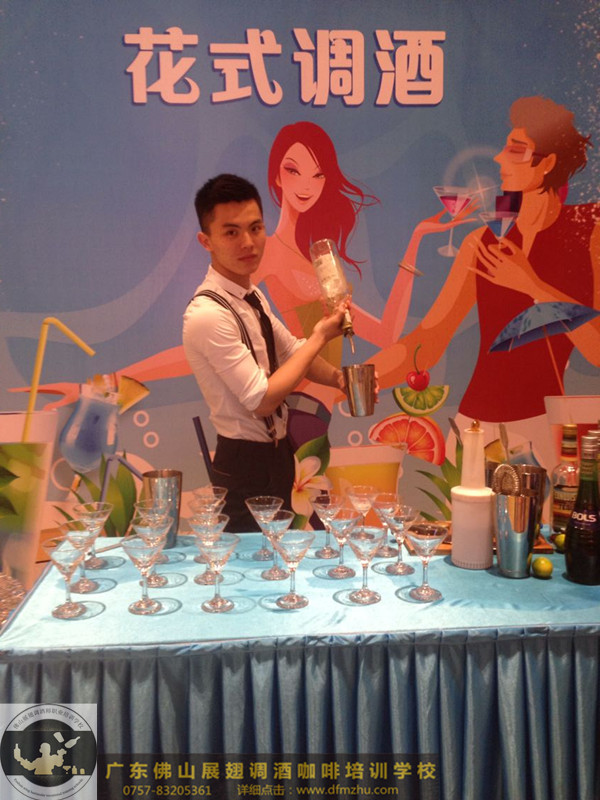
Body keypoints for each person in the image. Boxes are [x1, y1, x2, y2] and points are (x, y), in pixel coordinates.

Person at [372, 95, 600, 473]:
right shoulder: (481, 242)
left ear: (547, 163)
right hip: (475, 428)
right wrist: (355, 379)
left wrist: (532, 285)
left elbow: (596, 350)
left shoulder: (588, 229)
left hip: (543, 429)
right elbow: (427, 341)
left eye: (515, 150)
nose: (499, 158)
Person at [182, 174, 349, 532]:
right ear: (206, 241)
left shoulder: (251, 295)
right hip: (243, 463)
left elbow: (292, 352)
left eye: (255, 228)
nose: (248, 242)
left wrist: (340, 380)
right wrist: (321, 335)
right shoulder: (207, 314)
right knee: (248, 563)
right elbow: (261, 400)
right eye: (231, 232)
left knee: (281, 557)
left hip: (279, 455)